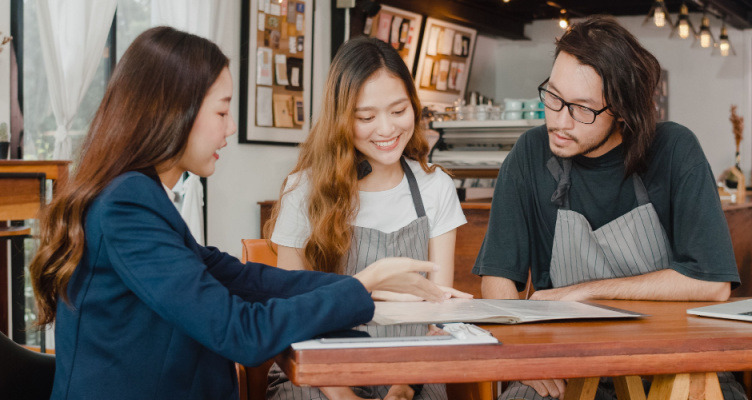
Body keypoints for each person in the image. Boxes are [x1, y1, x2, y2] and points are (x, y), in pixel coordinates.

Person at [29, 27, 447, 400]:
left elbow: (247, 277)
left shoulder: (139, 195)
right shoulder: (127, 205)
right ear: (175, 113)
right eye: (223, 111)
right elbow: (240, 332)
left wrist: (365, 288)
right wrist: (362, 286)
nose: (230, 128)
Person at [471, 16, 746, 400]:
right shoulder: (529, 156)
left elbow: (712, 284)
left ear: (621, 109)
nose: (559, 121)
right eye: (553, 96)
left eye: (582, 109)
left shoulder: (673, 150)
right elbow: (500, 282)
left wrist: (584, 293)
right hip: (568, 366)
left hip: (677, 363)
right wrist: (523, 359)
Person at [264, 36, 469, 400]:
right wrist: (345, 396)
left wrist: (405, 388)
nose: (387, 129)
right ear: (342, 118)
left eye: (398, 110)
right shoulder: (304, 191)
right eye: (366, 117)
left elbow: (440, 315)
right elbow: (292, 315)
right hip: (320, 373)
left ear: (414, 105)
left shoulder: (436, 187)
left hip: (413, 369)